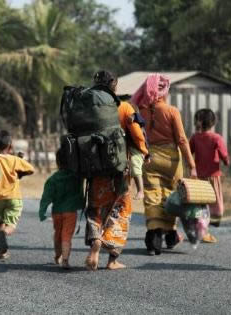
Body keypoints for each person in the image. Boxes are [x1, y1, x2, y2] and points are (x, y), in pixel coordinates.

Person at [85, 70, 148, 270]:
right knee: (120, 209)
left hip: (95, 168)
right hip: (120, 169)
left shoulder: (89, 108)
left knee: (96, 207)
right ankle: (112, 258)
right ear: (114, 86)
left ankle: (95, 241)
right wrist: (145, 152)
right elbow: (137, 136)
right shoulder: (125, 108)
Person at [132, 73, 197, 256]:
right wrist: (191, 164)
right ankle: (170, 235)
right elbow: (182, 140)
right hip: (171, 160)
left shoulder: (141, 111)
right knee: (169, 195)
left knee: (152, 196)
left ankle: (154, 237)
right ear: (164, 91)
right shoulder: (171, 111)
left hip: (149, 157)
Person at [0, 130, 34, 259]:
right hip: (13, 197)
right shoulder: (14, 159)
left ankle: (2, 252)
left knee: (0, 222)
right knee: (10, 224)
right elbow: (31, 169)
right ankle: (6, 231)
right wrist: (19, 173)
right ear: (10, 146)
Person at [39, 150, 84, 269]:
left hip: (57, 212)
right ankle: (65, 260)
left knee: (58, 235)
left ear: (57, 162)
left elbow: (46, 197)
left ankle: (57, 255)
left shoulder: (53, 179)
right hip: (70, 212)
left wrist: (42, 211)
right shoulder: (76, 177)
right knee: (66, 236)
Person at [189, 109, 229, 243]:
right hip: (213, 177)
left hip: (199, 178)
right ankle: (204, 230)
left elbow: (189, 153)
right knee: (216, 206)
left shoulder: (195, 137)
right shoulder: (216, 138)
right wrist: (227, 161)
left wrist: (192, 167)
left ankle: (200, 227)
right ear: (213, 122)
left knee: (201, 204)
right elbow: (224, 155)